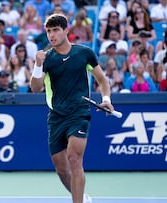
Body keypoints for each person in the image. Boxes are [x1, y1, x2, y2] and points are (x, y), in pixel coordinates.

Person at [30, 14, 115, 203]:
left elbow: (101, 80)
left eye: (55, 30)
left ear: (66, 31)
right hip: (56, 117)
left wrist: (106, 98)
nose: (51, 35)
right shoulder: (47, 59)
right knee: (61, 168)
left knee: (75, 160)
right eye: (49, 31)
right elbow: (35, 88)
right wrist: (37, 65)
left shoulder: (84, 53)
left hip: (79, 113)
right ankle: (82, 198)